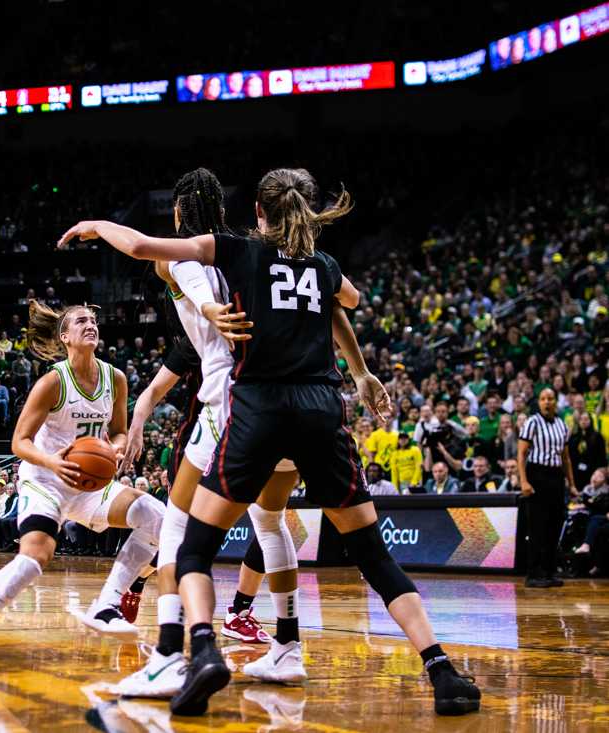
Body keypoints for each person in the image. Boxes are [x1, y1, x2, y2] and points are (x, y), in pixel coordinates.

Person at [60, 166, 479, 716]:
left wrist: (95, 223)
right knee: (355, 550)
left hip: (249, 410)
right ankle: (431, 667)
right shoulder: (324, 265)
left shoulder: (235, 252)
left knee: (189, 544)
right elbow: (343, 301)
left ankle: (189, 648)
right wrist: (359, 370)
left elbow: (143, 247)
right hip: (321, 414)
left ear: (258, 212)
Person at [112, 168, 301, 697]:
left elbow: (190, 281)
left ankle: (173, 651)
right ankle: (287, 645)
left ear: (178, 213)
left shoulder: (183, 256)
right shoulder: (248, 249)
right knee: (270, 520)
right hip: (283, 397)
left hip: (228, 396)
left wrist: (208, 310)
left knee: (177, 525)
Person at [0, 300, 165, 662]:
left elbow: (120, 432)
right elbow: (20, 442)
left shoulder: (116, 379)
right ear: (65, 336)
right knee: (35, 556)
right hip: (46, 479)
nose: (90, 325)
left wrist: (116, 450)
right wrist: (53, 462)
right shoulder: (52, 382)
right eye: (81, 321)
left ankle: (106, 605)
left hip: (90, 484)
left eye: (94, 320)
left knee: (158, 518)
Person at [517, 388, 575, 588]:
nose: (547, 402)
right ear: (539, 402)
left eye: (550, 398)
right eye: (543, 399)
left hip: (556, 476)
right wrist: (523, 481)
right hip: (537, 474)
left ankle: (549, 572)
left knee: (554, 525)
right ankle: (533, 574)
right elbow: (522, 454)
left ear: (556, 401)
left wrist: (572, 484)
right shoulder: (532, 422)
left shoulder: (562, 424)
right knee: (537, 526)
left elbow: (566, 458)